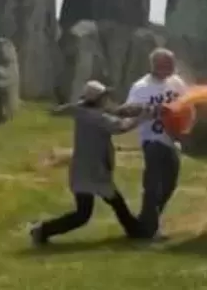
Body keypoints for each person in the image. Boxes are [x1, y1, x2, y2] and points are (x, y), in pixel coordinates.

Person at [29, 81, 153, 246]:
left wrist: (127, 110)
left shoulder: (83, 111)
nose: (106, 99)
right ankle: (135, 231)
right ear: (98, 99)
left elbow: (104, 112)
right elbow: (120, 127)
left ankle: (42, 231)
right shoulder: (95, 117)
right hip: (94, 172)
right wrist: (142, 117)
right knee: (106, 206)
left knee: (89, 212)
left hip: (83, 170)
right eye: (104, 97)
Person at [117, 48, 192, 240]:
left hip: (172, 141)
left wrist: (185, 128)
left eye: (172, 64)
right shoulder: (141, 86)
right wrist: (151, 109)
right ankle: (150, 229)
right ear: (155, 65)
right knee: (153, 185)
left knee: (169, 184)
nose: (171, 68)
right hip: (152, 139)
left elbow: (187, 106)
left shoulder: (176, 83)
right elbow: (127, 110)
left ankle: (146, 222)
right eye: (167, 64)